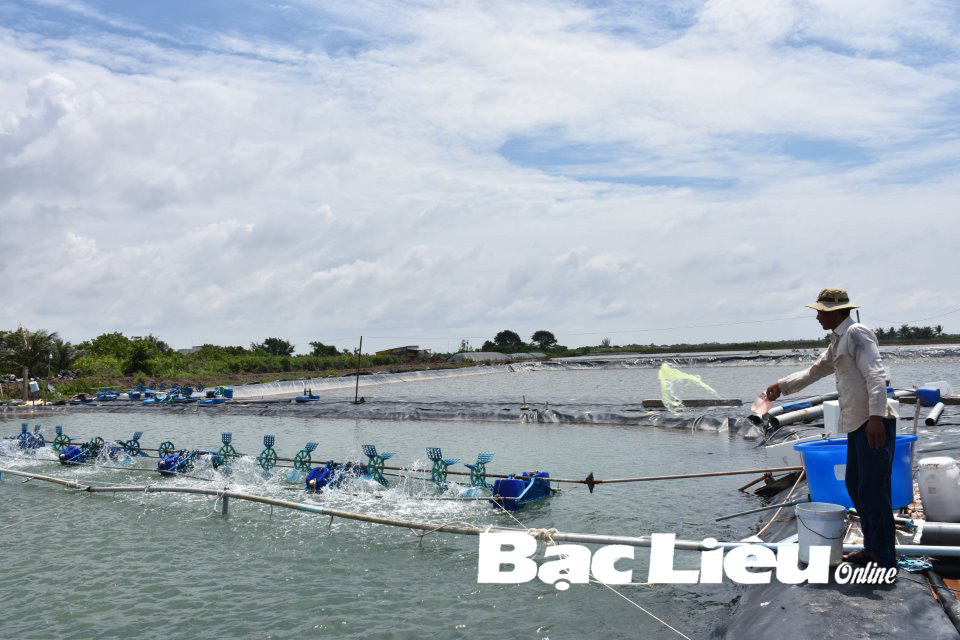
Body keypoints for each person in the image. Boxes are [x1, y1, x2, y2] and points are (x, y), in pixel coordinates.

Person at [765, 288, 898, 568]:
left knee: (874, 489)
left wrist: (876, 419)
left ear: (834, 312)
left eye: (820, 312)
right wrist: (782, 386)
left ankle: (884, 557)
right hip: (858, 423)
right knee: (856, 485)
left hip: (873, 422)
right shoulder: (838, 340)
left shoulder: (857, 334)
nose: (817, 317)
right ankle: (873, 548)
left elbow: (876, 376)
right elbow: (814, 371)